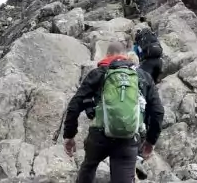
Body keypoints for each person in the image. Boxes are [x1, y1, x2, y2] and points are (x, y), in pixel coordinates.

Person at [63, 41, 165, 183]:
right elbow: (158, 111)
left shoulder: (98, 73)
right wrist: (150, 141)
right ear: (126, 56)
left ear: (108, 55)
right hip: (128, 138)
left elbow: (74, 105)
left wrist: (69, 136)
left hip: (99, 136)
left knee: (89, 166)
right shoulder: (142, 76)